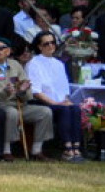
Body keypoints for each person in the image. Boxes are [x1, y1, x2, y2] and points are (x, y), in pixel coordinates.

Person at [0, 36, 54, 161]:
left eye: (0, 48)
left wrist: (23, 91)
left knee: (45, 112)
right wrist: (4, 92)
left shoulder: (15, 65)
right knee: (12, 112)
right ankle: (6, 150)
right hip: (1, 104)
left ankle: (36, 150)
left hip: (20, 103)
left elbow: (28, 91)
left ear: (8, 51)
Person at [26, 30, 85, 162]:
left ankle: (76, 147)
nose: (51, 46)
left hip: (59, 102)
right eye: (46, 44)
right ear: (39, 46)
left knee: (75, 108)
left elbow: (64, 90)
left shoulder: (59, 64)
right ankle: (67, 148)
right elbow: (36, 91)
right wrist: (55, 103)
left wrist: (65, 101)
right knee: (64, 110)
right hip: (42, 102)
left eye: (53, 42)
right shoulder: (33, 63)